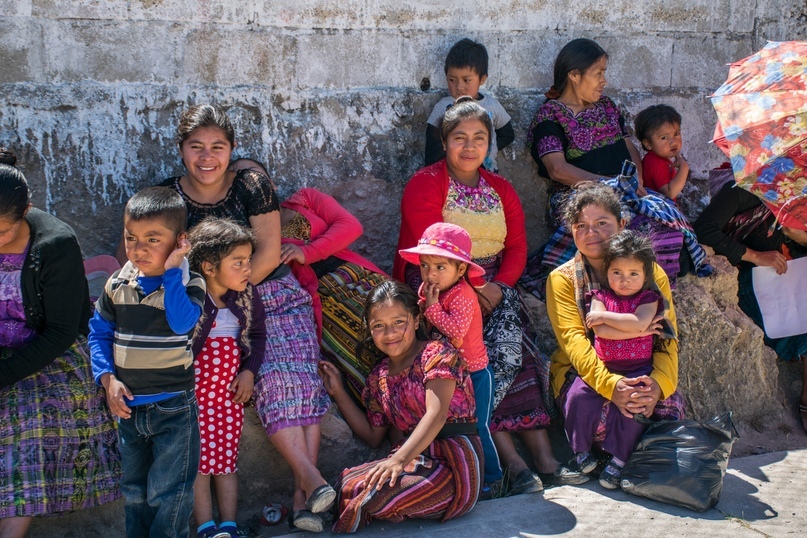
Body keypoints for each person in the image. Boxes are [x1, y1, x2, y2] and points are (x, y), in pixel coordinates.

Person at [156, 105, 333, 533]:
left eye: (218, 146)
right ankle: (310, 487)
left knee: (298, 380)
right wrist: (214, 302)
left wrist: (227, 294)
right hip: (208, 313)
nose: (206, 157)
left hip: (272, 295)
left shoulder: (251, 184)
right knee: (270, 384)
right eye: (195, 146)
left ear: (232, 149)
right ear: (180, 150)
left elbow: (268, 254)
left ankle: (303, 496)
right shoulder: (167, 198)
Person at [396, 96, 571, 494]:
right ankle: (509, 463)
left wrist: (498, 287)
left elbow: (518, 248)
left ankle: (543, 456)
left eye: (479, 138)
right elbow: (431, 257)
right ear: (444, 142)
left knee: (519, 351)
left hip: (494, 285)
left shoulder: (502, 188)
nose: (470, 146)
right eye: (460, 138)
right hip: (440, 286)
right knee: (475, 362)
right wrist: (467, 292)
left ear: (489, 143)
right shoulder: (424, 184)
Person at [0, 149, 121, 537]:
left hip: (47, 353)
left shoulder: (55, 245)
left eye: (2, 231)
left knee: (26, 424)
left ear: (28, 211)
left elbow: (60, 331)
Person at [524, 38, 702, 291]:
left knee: (670, 230)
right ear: (574, 75)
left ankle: (649, 293)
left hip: (625, 190)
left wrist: (636, 180)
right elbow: (557, 169)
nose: (603, 81)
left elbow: (629, 147)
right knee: (633, 236)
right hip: (580, 196)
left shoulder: (607, 107)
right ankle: (620, 294)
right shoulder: (550, 115)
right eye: (598, 73)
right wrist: (607, 185)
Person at [545, 183, 685, 485]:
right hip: (587, 374)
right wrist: (614, 387)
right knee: (598, 411)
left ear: (622, 224)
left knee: (662, 406)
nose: (591, 232)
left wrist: (658, 385)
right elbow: (576, 346)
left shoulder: (651, 274)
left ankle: (624, 461)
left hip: (641, 367)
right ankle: (600, 458)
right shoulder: (563, 280)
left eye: (602, 223)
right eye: (581, 225)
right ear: (571, 231)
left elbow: (666, 339)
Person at [319, 281, 481, 533]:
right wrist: (339, 392)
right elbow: (374, 437)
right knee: (347, 483)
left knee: (375, 494)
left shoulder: (436, 354)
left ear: (416, 320)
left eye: (398, 322)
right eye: (378, 326)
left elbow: (436, 415)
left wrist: (397, 460)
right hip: (412, 462)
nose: (390, 333)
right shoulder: (378, 376)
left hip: (453, 465)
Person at [90, 186, 205, 538]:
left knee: (169, 494)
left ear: (179, 241)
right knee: (135, 494)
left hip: (173, 409)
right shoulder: (117, 283)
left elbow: (181, 322)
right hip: (128, 409)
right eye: (130, 238)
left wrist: (172, 272)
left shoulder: (189, 282)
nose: (138, 249)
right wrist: (107, 378)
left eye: (152, 239)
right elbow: (98, 333)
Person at [229, 158, 388, 403]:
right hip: (324, 299)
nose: (252, 187)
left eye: (256, 177)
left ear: (270, 182)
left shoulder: (306, 198)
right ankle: (387, 407)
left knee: (401, 316)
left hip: (358, 276)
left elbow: (351, 226)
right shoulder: (248, 239)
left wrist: (308, 252)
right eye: (240, 184)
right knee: (360, 345)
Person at [694, 180, 807, 433]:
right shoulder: (743, 192)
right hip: (755, 283)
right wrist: (757, 256)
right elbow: (703, 230)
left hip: (795, 280)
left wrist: (798, 235)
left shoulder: (798, 200)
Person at [399, 222, 502, 489]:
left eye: (440, 267)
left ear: (462, 269)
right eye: (424, 265)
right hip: (450, 375)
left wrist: (431, 308)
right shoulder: (431, 290)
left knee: (479, 427)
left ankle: (493, 479)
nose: (430, 274)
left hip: (475, 373)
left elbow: (456, 332)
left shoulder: (463, 295)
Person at [570, 230, 673, 488]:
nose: (624, 280)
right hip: (603, 367)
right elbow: (600, 331)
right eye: (617, 273)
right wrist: (638, 329)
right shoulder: (599, 297)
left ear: (645, 275)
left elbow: (638, 319)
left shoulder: (649, 298)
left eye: (633, 274)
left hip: (638, 368)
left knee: (632, 408)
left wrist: (611, 319)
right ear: (607, 272)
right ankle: (581, 452)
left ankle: (618, 461)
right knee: (577, 397)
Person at [187, 218, 267, 538]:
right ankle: (207, 529)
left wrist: (249, 371)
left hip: (228, 401)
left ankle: (229, 527)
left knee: (225, 464)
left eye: (248, 260)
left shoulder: (246, 296)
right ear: (208, 266)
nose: (247, 268)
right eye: (238, 262)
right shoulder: (192, 301)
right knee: (199, 468)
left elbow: (258, 336)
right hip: (194, 401)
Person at [424, 38, 514, 172]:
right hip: (452, 176)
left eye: (466, 80)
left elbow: (507, 135)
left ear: (482, 79)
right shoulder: (443, 107)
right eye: (452, 80)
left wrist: (488, 149)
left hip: (488, 173)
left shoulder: (491, 105)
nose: (459, 87)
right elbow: (432, 150)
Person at [635, 104, 689, 201]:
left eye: (676, 134)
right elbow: (670, 193)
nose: (673, 142)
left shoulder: (659, 159)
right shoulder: (655, 162)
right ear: (648, 144)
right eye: (664, 138)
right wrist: (684, 168)